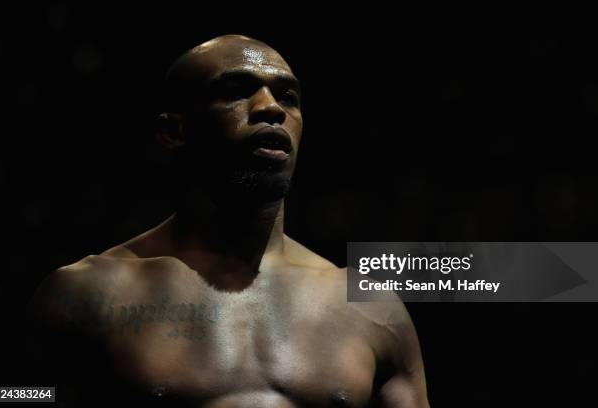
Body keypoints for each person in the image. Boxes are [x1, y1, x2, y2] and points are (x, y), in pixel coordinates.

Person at [27, 34, 430, 407]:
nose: (271, 108)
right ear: (173, 131)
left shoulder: (370, 307)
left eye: (287, 96)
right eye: (237, 91)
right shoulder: (86, 293)